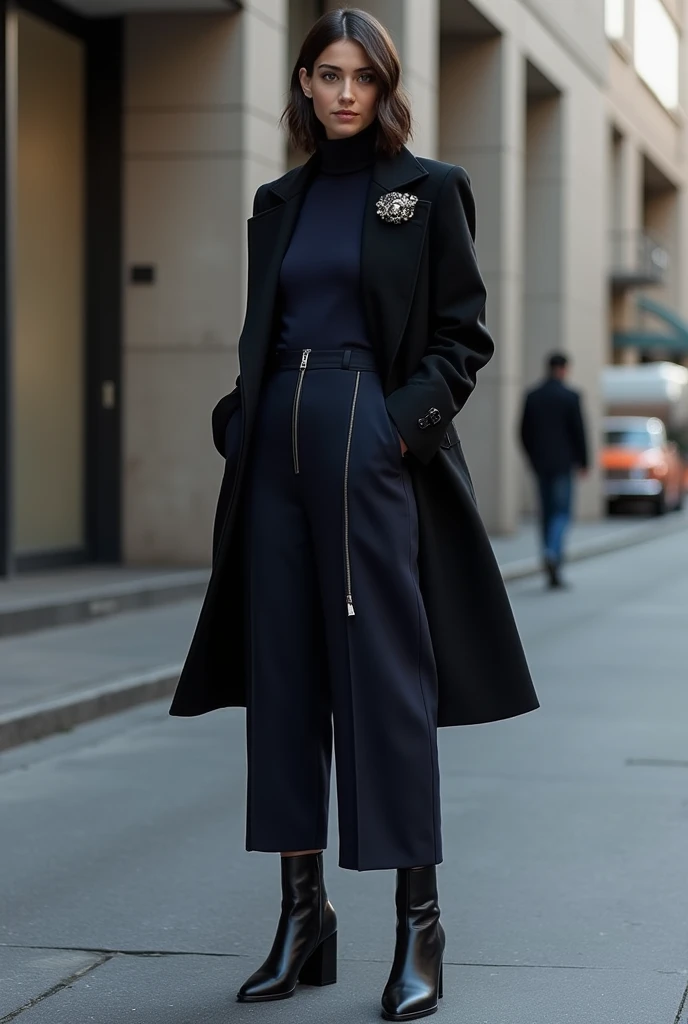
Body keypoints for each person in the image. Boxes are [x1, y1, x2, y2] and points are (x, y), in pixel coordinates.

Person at [170, 9, 538, 1021]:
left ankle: (420, 924)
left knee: (383, 685)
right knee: (283, 682)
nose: (342, 93)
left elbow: (462, 338)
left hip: (370, 451)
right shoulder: (274, 202)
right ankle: (303, 917)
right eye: (325, 74)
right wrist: (242, 418)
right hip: (274, 452)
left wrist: (393, 429)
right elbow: (268, 326)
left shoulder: (426, 193)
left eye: (360, 77)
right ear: (301, 83)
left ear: (384, 87)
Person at [520, 353, 589, 589]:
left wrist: (532, 458)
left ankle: (550, 565)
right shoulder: (570, 397)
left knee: (546, 514)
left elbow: (522, 431)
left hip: (541, 465)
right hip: (563, 464)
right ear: (564, 369)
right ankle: (552, 552)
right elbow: (579, 431)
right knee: (561, 513)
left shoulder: (533, 396)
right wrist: (584, 461)